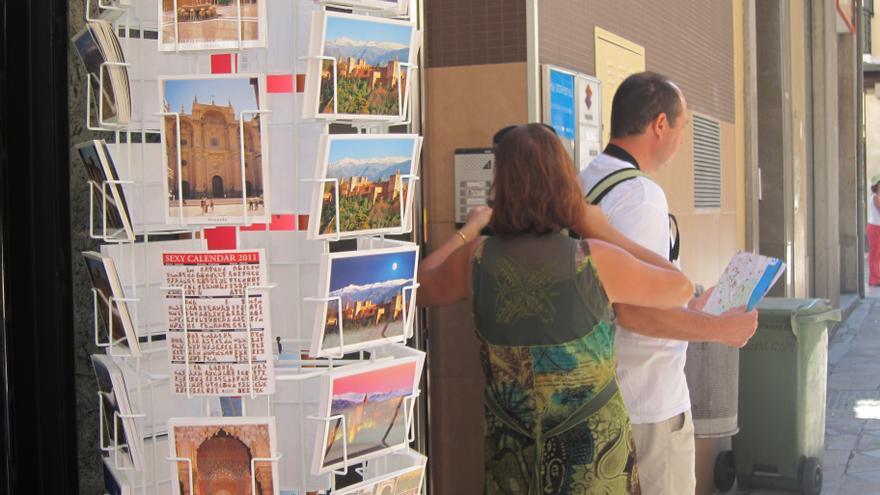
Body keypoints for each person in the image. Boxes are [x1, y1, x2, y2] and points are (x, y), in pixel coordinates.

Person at [417, 124, 697, 493]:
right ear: (565, 181)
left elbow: (416, 288)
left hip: (513, 459)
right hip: (593, 463)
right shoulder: (593, 259)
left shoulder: (476, 259)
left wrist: (469, 230)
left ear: (502, 184)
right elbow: (680, 287)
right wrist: (602, 230)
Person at [577, 71, 757, 494]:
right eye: (682, 125)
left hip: (595, 394)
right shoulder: (641, 196)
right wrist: (718, 329)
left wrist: (690, 308)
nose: (682, 137)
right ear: (660, 125)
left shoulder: (587, 182)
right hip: (646, 402)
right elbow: (634, 311)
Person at [869, 175, 880, 286]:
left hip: (877, 226)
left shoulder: (877, 196)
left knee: (877, 254)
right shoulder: (875, 197)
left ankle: (876, 277)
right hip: (875, 227)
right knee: (875, 253)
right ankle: (874, 279)